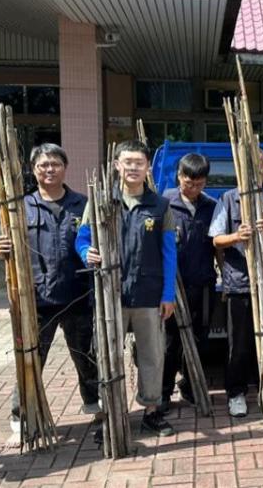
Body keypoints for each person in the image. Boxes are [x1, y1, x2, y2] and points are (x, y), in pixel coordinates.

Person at [0, 144, 100, 432]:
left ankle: (94, 402)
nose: (49, 169)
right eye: (43, 165)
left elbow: (98, 240)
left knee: (86, 354)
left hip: (78, 294)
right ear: (33, 169)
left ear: (65, 167)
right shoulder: (20, 206)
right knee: (32, 358)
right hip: (36, 298)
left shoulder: (84, 204)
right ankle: (21, 414)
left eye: (55, 164)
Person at [75, 140, 177, 436]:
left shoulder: (160, 206)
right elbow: (82, 238)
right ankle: (112, 414)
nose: (133, 167)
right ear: (117, 165)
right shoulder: (101, 201)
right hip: (110, 294)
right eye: (127, 162)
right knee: (107, 355)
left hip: (148, 293)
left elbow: (169, 253)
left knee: (152, 355)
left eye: (139, 162)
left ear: (147, 167)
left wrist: (168, 294)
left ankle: (151, 411)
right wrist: (85, 252)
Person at [210, 149, 263, 418]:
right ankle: (236, 392)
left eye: (259, 167)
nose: (255, 172)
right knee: (240, 342)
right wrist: (237, 236)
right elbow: (216, 239)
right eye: (249, 167)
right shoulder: (228, 199)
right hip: (240, 281)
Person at [160, 153, 217, 411]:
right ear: (179, 176)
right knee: (170, 343)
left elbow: (217, 245)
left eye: (199, 183)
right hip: (173, 287)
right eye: (188, 182)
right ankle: (162, 394)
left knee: (199, 340)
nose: (193, 188)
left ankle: (191, 386)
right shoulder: (164, 204)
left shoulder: (211, 206)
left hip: (203, 284)